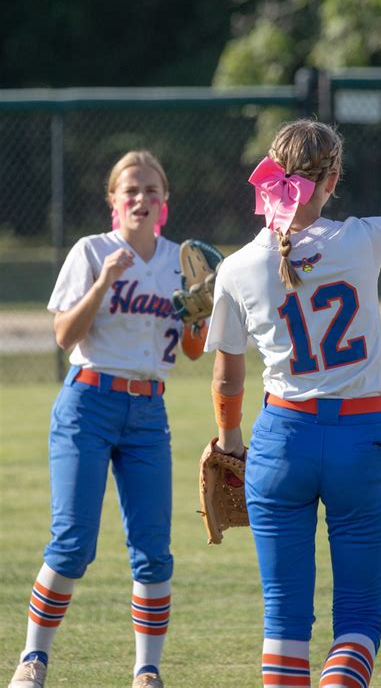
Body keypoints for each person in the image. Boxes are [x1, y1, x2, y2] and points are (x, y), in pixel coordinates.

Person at [204, 62, 381, 687]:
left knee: (284, 623)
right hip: (359, 440)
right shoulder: (360, 240)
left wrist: (231, 442)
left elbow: (228, 382)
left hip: (280, 438)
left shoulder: (235, 269)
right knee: (359, 620)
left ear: (269, 176)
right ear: (333, 179)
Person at [9, 150, 206, 688]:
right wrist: (103, 282)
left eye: (152, 191)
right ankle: (32, 660)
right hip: (88, 403)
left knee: (153, 550)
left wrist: (199, 314)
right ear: (113, 202)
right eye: (132, 191)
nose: (142, 199)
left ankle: (147, 671)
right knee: (73, 544)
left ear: (165, 202)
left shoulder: (180, 261)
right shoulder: (93, 251)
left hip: (148, 410)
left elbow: (191, 351)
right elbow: (64, 335)